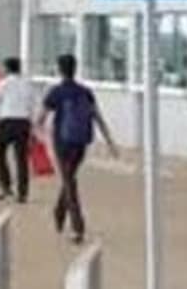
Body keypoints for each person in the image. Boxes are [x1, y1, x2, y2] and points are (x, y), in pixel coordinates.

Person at [38, 53, 118, 244]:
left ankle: (77, 227)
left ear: (59, 69)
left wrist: (40, 137)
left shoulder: (56, 92)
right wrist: (110, 143)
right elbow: (98, 118)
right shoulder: (86, 92)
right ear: (75, 68)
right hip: (81, 143)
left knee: (69, 182)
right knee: (69, 179)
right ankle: (59, 213)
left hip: (62, 142)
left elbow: (40, 119)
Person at [0, 56, 39, 203]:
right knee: (21, 158)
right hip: (23, 123)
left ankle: (6, 187)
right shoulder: (27, 84)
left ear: (7, 69)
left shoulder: (2, 84)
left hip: (6, 122)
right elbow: (34, 105)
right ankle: (22, 193)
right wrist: (34, 127)